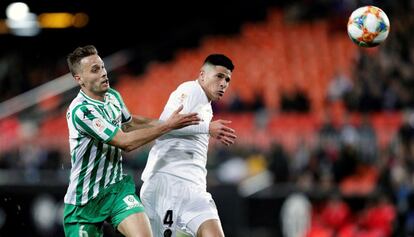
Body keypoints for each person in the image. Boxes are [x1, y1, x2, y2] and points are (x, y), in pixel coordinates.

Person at [63, 45, 201, 237]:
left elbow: (128, 123)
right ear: (79, 79)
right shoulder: (81, 111)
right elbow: (125, 142)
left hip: (116, 190)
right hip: (85, 202)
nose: (104, 73)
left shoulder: (112, 97)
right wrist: (167, 126)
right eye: (95, 70)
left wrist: (172, 124)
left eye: (102, 67)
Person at [140, 54, 237, 237]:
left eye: (227, 79)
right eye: (219, 76)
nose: (224, 83)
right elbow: (165, 124)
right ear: (202, 75)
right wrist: (207, 128)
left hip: (194, 188)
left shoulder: (206, 106)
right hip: (168, 183)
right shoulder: (191, 89)